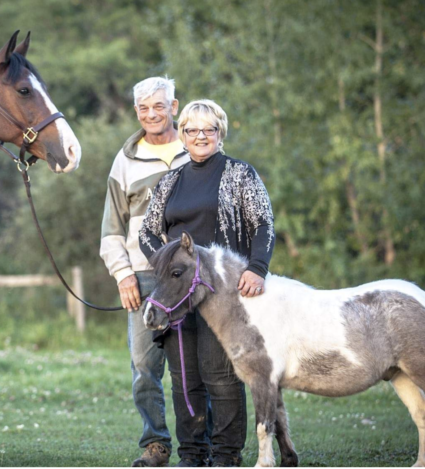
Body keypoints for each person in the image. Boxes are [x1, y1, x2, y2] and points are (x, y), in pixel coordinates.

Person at [139, 99, 275, 467]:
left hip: (222, 297)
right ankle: (193, 456)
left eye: (209, 129)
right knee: (186, 382)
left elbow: (264, 224)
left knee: (222, 380)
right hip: (177, 296)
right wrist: (167, 263)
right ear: (181, 135)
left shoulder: (240, 174)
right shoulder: (170, 181)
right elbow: (148, 232)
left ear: (220, 134)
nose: (201, 136)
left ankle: (226, 456)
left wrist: (257, 268)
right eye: (192, 130)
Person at [100, 76, 189, 467]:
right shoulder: (126, 160)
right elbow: (110, 230)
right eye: (143, 108)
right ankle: (155, 445)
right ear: (136, 112)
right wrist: (123, 276)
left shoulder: (197, 147)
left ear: (173, 106)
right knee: (144, 369)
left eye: (158, 105)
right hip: (144, 279)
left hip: (194, 280)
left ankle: (200, 445)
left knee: (197, 368)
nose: (151, 114)